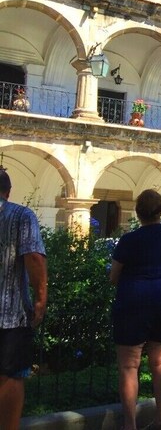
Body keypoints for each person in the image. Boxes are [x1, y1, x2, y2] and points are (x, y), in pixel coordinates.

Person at [110, 189, 161, 430]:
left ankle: (130, 425)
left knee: (129, 365)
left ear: (137, 212)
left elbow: (114, 276)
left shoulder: (129, 240)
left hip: (134, 301)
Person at [0, 169, 47, 430]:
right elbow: (34, 258)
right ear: (8, 191)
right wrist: (41, 299)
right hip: (10, 315)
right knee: (11, 377)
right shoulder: (20, 215)